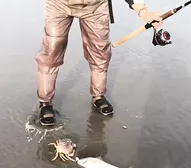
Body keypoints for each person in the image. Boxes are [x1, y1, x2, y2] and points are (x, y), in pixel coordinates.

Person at [35, 0, 164, 126]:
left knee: (100, 52)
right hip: (58, 4)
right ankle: (45, 102)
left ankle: (98, 96)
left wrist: (143, 11)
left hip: (96, 6)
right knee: (51, 51)